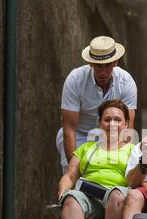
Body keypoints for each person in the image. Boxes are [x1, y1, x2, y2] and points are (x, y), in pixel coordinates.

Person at [58, 100, 134, 219]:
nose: (112, 124)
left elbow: (137, 180)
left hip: (118, 197)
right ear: (100, 123)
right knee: (71, 200)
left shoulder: (133, 150)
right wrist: (63, 190)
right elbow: (70, 175)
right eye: (107, 119)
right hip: (90, 197)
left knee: (116, 196)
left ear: (126, 124)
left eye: (117, 120)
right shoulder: (87, 148)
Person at [56, 36, 137, 174]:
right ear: (90, 63)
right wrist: (74, 170)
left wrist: (124, 160)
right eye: (99, 65)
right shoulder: (75, 80)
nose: (103, 71)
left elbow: (128, 127)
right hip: (80, 135)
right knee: (75, 183)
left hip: (113, 137)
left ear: (116, 62)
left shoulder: (126, 81)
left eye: (108, 64)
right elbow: (69, 128)